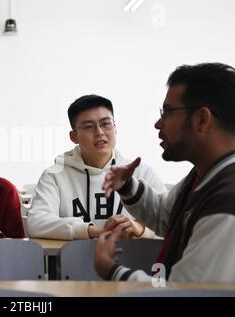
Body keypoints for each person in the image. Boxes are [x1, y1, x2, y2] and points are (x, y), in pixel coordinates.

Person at [96, 63, 235, 283]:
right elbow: (165, 215)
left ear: (201, 119)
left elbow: (183, 292)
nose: (158, 123)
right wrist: (127, 186)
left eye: (168, 112)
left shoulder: (227, 201)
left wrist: (112, 271)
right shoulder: (204, 176)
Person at [27, 95, 166, 240]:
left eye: (105, 124)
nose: (99, 132)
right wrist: (91, 231)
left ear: (115, 128)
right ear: (74, 136)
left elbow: (171, 223)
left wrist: (140, 229)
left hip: (133, 261)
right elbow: (36, 222)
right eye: (88, 126)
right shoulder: (55, 175)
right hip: (75, 260)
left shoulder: (141, 173)